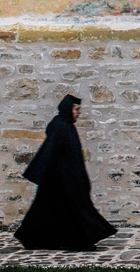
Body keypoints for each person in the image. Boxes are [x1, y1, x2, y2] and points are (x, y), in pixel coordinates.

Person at [15, 95, 118, 251]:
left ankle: (38, 238)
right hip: (59, 181)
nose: (79, 113)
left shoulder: (66, 125)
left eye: (79, 109)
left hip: (66, 179)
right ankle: (77, 241)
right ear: (67, 109)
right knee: (67, 211)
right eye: (76, 109)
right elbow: (50, 152)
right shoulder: (60, 126)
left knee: (52, 212)